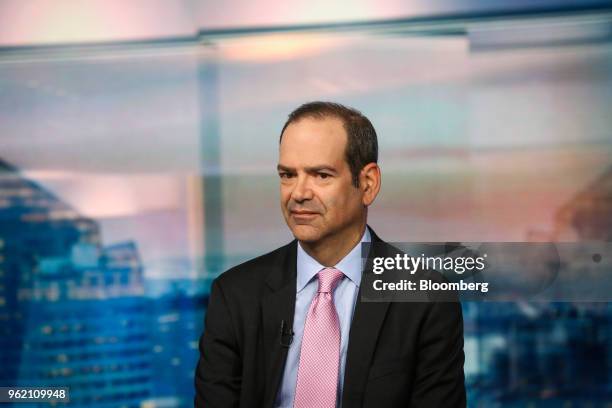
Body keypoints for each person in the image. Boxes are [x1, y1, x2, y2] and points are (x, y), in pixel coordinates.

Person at [194, 102, 466, 407]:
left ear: (368, 184)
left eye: (321, 175)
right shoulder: (235, 296)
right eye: (287, 175)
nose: (298, 193)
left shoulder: (425, 299)